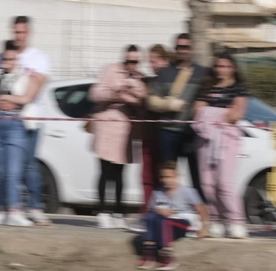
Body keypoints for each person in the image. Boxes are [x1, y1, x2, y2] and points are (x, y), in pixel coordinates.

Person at [0, 16, 51, 224]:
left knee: (28, 164)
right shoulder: (0, 57)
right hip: (4, 117)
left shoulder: (38, 57)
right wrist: (1, 100)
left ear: (29, 33)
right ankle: (6, 207)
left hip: (29, 118)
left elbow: (35, 88)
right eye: (16, 32)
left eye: (22, 32)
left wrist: (13, 101)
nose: (18, 36)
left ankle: (34, 206)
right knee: (4, 169)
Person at [0, 41, 40, 227]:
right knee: (0, 173)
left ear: (18, 59)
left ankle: (15, 210)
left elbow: (26, 98)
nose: (8, 61)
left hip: (15, 123)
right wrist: (0, 82)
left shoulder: (26, 76)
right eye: (5, 58)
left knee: (13, 172)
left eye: (12, 58)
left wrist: (6, 98)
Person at [191, 53, 250, 240]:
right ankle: (216, 219)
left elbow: (236, 114)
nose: (221, 70)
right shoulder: (206, 87)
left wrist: (211, 113)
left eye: (225, 66)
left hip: (227, 138)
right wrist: (220, 113)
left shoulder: (238, 89)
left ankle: (236, 221)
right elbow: (197, 110)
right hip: (205, 137)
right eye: (218, 66)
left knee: (225, 183)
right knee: (207, 184)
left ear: (233, 68)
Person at [88, 44, 146, 229]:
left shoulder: (140, 78)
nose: (131, 65)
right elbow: (95, 93)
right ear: (124, 59)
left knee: (120, 174)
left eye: (135, 62)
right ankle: (103, 211)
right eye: (129, 61)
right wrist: (115, 93)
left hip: (125, 130)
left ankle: (119, 212)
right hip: (106, 126)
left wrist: (132, 94)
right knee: (105, 171)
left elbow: (142, 100)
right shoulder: (110, 70)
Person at [145, 33, 207, 203]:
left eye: (186, 47)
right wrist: (169, 104)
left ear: (192, 49)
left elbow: (210, 97)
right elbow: (151, 101)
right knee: (167, 175)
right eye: (179, 47)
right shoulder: (164, 72)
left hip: (192, 133)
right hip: (168, 132)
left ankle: (201, 216)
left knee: (197, 177)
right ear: (175, 49)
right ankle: (166, 211)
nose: (183, 50)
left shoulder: (202, 73)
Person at [133, 161, 209, 271]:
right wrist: (159, 211)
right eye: (163, 177)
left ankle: (167, 256)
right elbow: (151, 212)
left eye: (169, 176)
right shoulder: (158, 193)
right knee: (151, 216)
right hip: (164, 221)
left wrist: (203, 228)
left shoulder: (188, 191)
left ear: (176, 176)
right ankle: (149, 254)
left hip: (183, 222)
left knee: (164, 222)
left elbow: (202, 210)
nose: (165, 180)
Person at [137, 45, 172, 208]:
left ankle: (163, 209)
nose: (152, 64)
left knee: (165, 176)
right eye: (150, 61)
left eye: (155, 61)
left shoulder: (172, 79)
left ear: (165, 60)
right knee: (147, 176)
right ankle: (148, 212)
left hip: (167, 134)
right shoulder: (149, 81)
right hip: (149, 135)